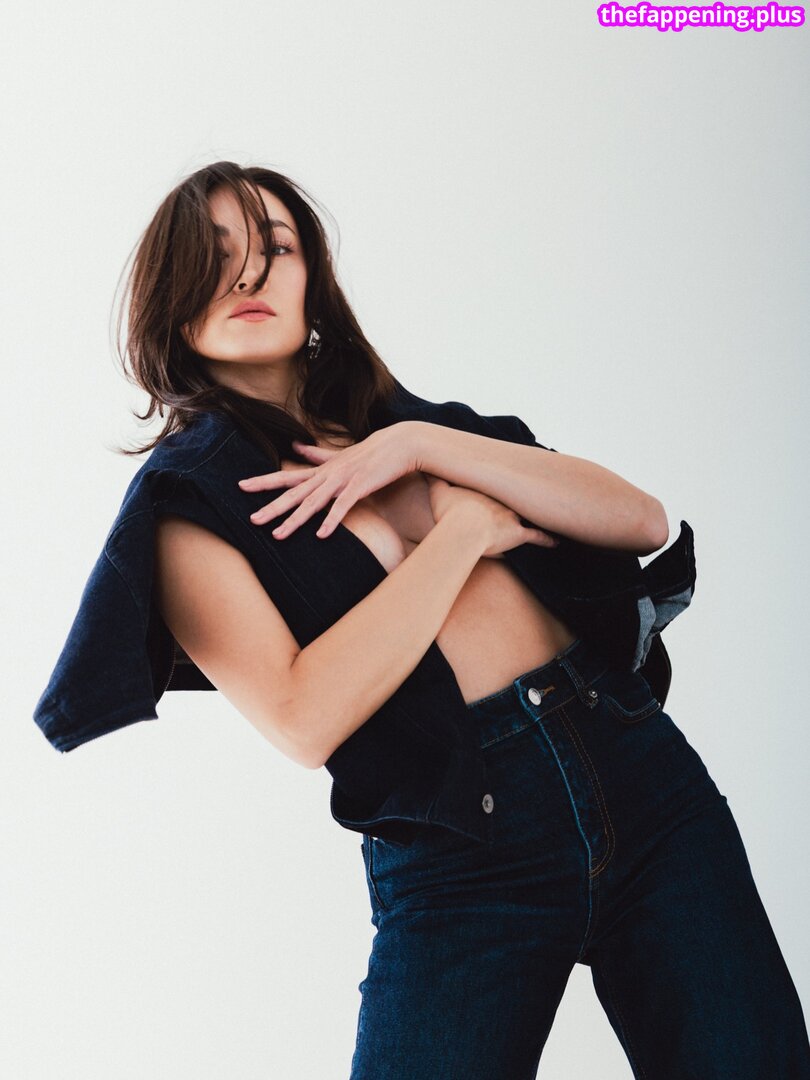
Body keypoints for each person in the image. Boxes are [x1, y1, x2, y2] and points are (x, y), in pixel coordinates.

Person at [45, 161, 810, 1077]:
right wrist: (462, 534)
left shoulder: (407, 423)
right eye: (215, 255)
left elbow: (640, 520)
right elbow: (303, 717)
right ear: (171, 302)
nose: (248, 273)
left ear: (313, 282)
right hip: (463, 851)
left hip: (643, 780)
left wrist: (415, 445)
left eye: (276, 247)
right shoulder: (188, 502)